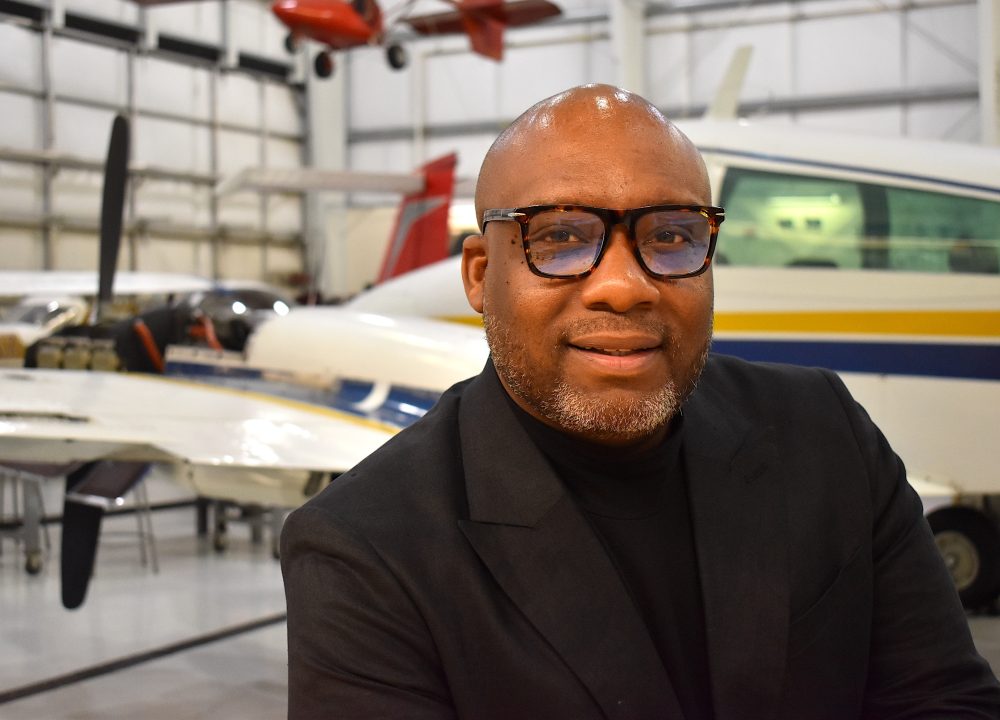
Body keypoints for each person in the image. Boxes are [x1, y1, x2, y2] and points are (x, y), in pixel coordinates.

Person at [280, 84, 1000, 719]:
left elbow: (943, 699)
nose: (624, 286)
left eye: (672, 235)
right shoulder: (367, 548)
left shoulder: (824, 431)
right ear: (479, 274)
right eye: (559, 237)